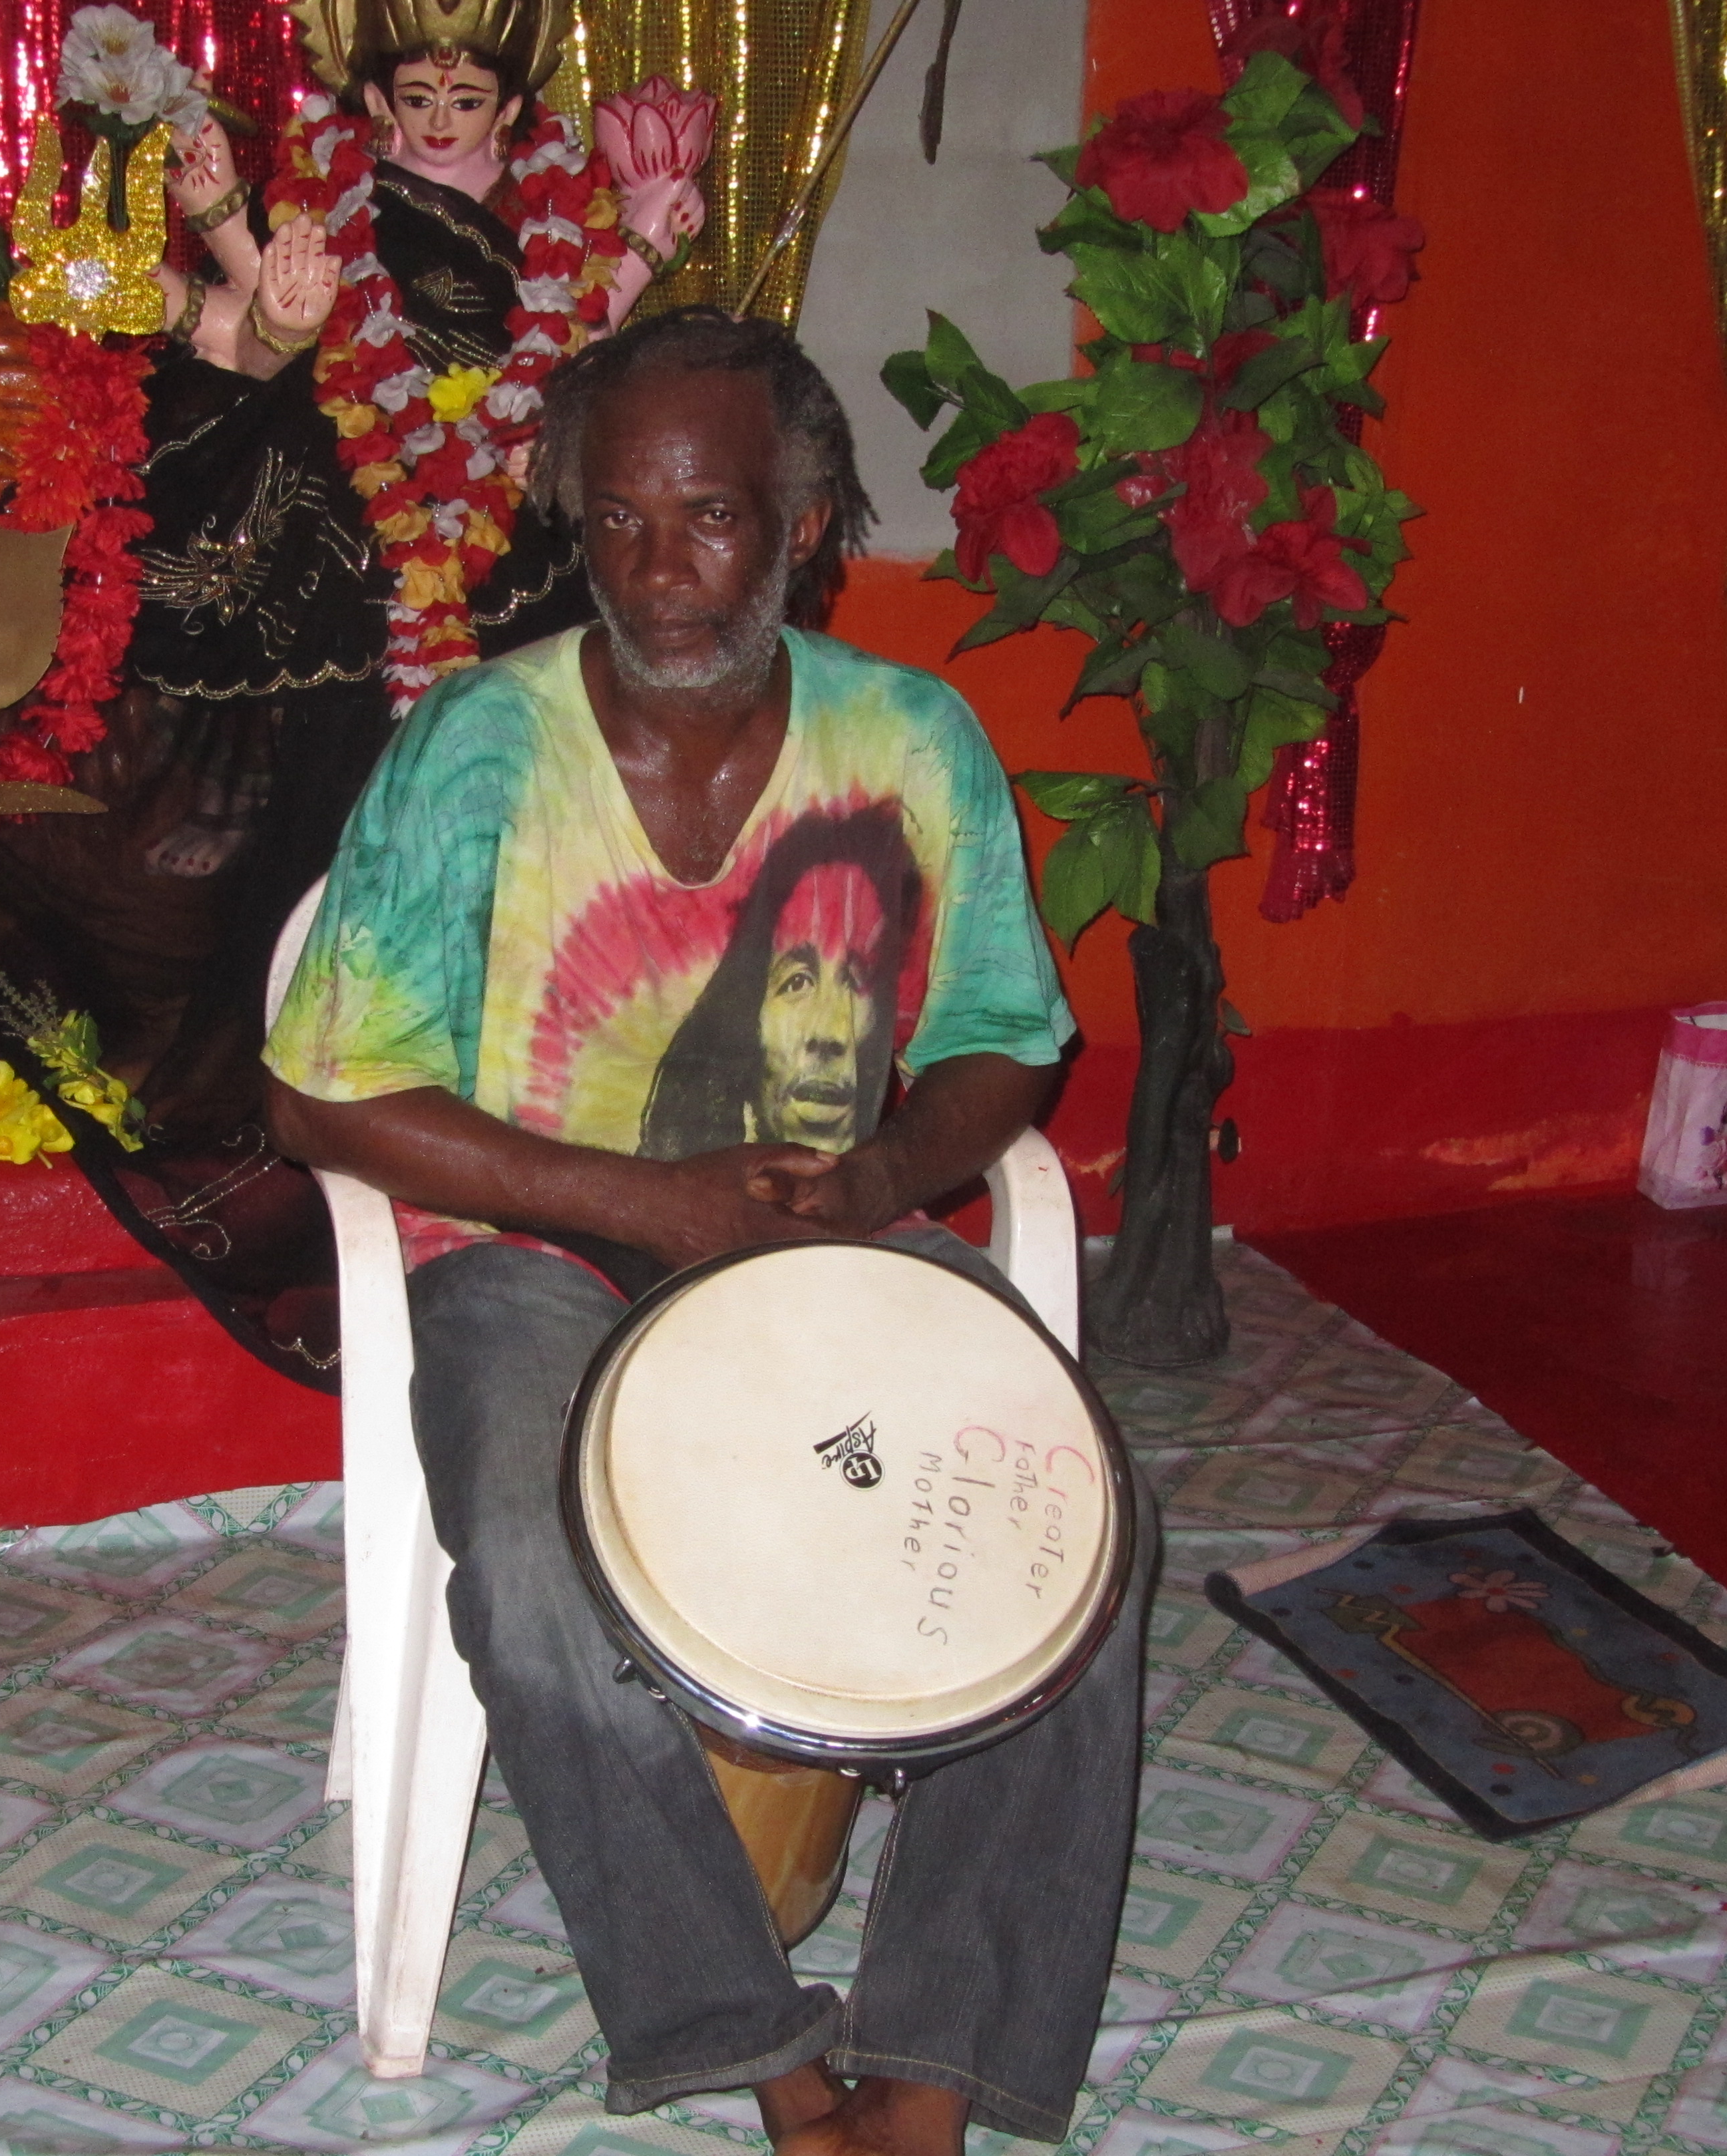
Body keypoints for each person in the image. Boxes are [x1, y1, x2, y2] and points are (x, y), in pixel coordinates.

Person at [264, 309, 1156, 2155]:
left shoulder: (912, 737)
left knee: (1078, 1537)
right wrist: (639, 1203)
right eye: (620, 525)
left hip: (836, 1241)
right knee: (528, 1570)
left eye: (716, 520)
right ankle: (766, 2059)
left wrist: (892, 1173)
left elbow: (1009, 1032)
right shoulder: (477, 748)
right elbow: (322, 1093)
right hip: (537, 1256)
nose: (664, 572)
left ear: (807, 521)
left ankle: (933, 2067)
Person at [0, 0, 705, 1384]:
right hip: (334, 578)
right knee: (313, 861)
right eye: (417, 97)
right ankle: (328, 1128)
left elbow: (565, 355)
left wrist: (644, 256)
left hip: (512, 571)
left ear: (512, 111)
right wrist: (235, 251)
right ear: (376, 104)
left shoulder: (549, 223)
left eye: (467, 99)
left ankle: (524, 1157)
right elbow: (267, 339)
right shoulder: (331, 197)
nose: (440, 122)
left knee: (518, 877)